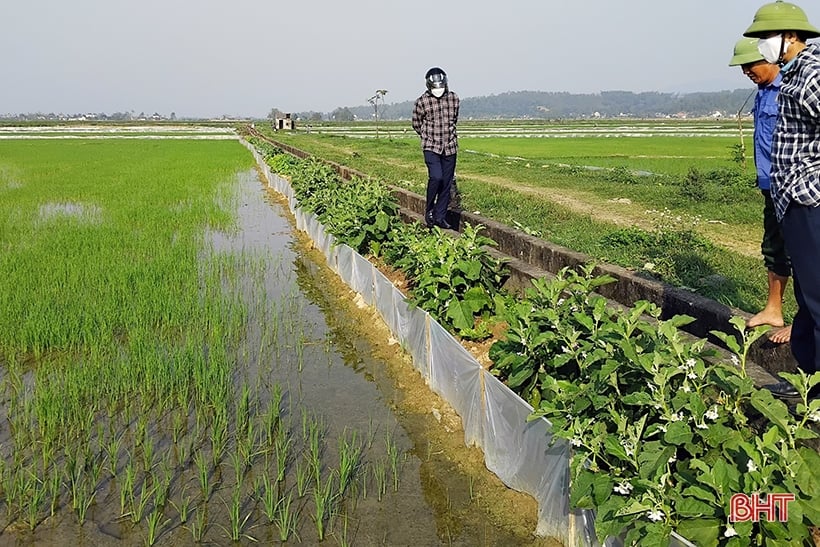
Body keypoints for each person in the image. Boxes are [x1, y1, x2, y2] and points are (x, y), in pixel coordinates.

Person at [743, 0, 820, 398]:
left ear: (791, 37)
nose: (760, 47)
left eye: (764, 38)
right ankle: (808, 383)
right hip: (791, 200)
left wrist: (811, 185)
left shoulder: (813, 74)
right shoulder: (793, 75)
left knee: (818, 297)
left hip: (809, 202)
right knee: (809, 296)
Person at [728, 38, 792, 345]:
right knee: (774, 248)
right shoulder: (762, 93)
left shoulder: (790, 90)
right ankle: (773, 309)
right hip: (771, 185)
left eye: (750, 65)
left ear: (770, 59)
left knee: (804, 253)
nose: (746, 72)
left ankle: (807, 320)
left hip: (795, 185)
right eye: (742, 68)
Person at [412, 67, 460, 230]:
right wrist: (426, 136)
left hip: (450, 146)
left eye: (441, 87)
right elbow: (416, 123)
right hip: (431, 146)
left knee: (446, 183)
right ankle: (430, 210)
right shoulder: (422, 102)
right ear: (428, 86)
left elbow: (454, 120)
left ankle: (440, 217)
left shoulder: (454, 99)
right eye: (435, 88)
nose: (438, 91)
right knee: (436, 177)